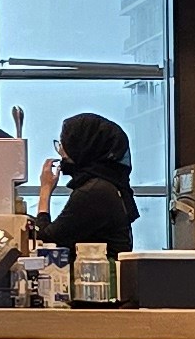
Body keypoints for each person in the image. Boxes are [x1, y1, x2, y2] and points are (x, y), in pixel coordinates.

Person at [31, 111, 141, 259]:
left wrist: (45, 190)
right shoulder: (106, 185)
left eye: (65, 144)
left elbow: (45, 242)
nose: (61, 152)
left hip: (100, 277)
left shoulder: (94, 192)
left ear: (84, 147)